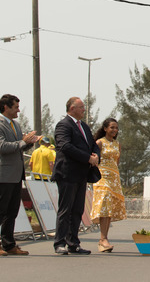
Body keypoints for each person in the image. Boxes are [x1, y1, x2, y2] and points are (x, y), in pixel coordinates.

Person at [0, 94, 39, 256]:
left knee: (12, 211)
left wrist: (28, 142)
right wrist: (23, 142)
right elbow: (2, 147)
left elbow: (18, 147)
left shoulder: (16, 125)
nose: (18, 110)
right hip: (3, 175)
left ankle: (9, 243)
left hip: (16, 175)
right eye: (15, 107)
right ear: (6, 107)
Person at [52, 97, 100, 255]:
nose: (84, 110)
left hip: (81, 174)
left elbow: (92, 145)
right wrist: (87, 158)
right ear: (72, 108)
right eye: (81, 107)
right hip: (67, 173)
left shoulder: (84, 127)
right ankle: (60, 243)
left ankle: (73, 242)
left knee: (78, 210)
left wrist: (96, 155)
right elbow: (65, 146)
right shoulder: (63, 125)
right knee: (65, 209)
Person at [90, 117, 125, 253]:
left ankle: (103, 239)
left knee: (109, 206)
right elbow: (94, 160)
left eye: (116, 128)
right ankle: (103, 238)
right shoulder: (99, 143)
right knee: (104, 202)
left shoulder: (117, 145)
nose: (114, 130)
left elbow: (117, 161)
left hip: (114, 178)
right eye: (112, 127)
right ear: (105, 128)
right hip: (102, 177)